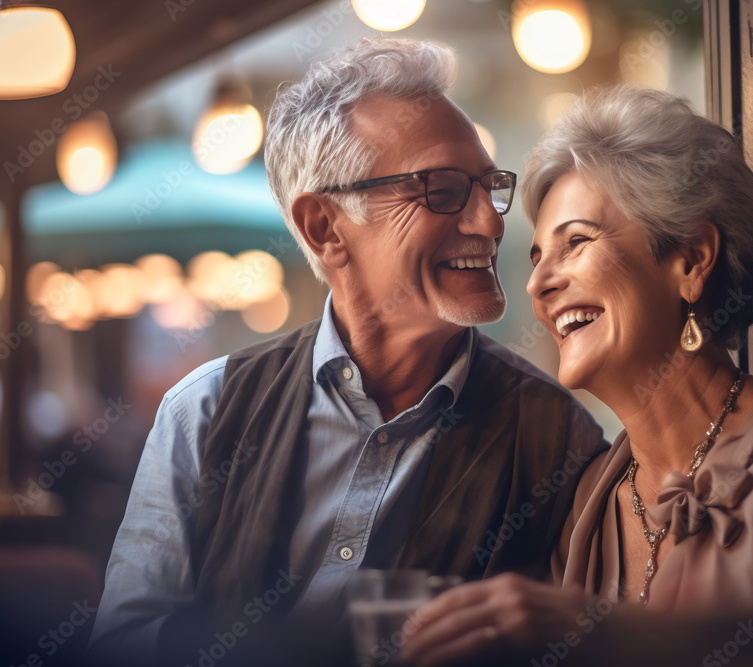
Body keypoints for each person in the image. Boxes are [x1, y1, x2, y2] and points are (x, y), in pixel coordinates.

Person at [87, 38, 606, 666]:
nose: (490, 222)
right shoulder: (205, 410)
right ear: (325, 228)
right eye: (442, 189)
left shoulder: (559, 439)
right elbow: (121, 645)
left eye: (487, 185)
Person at [402, 84, 753, 666]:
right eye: (536, 259)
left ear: (690, 261)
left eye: (575, 242)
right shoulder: (588, 505)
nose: (538, 283)